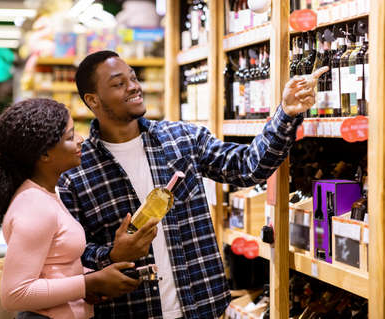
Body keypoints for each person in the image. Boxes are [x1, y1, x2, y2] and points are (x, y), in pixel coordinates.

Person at [57, 50, 328, 319]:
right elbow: (72, 256)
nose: (134, 87)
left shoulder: (183, 138)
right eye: (119, 84)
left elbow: (247, 167)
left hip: (201, 307)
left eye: (133, 77)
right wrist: (112, 254)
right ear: (92, 100)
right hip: (130, 310)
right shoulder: (75, 172)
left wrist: (287, 114)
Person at [0, 98, 146, 319]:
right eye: (70, 137)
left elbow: (54, 268)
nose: (81, 140)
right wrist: (88, 283)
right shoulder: (34, 205)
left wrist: (93, 281)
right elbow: (15, 294)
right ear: (44, 154)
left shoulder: (48, 192)